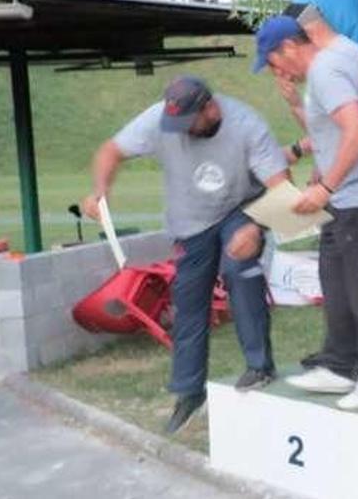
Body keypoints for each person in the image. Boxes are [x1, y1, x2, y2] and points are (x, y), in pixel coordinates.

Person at [83, 75, 286, 433]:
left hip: (241, 208)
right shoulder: (160, 119)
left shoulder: (246, 125)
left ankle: (260, 366)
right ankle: (189, 393)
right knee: (188, 301)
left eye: (187, 122)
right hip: (190, 221)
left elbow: (281, 186)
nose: (179, 131)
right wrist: (100, 192)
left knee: (240, 270)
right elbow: (109, 152)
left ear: (209, 107)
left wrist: (255, 228)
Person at [256, 14, 358, 410]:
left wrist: (325, 188)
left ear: (288, 48)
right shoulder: (321, 72)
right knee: (337, 282)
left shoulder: (326, 68)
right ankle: (341, 364)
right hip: (345, 195)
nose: (277, 72)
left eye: (273, 63)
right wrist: (321, 174)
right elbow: (330, 133)